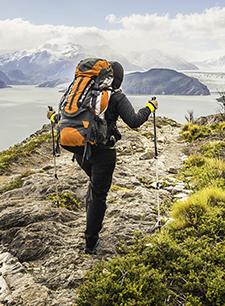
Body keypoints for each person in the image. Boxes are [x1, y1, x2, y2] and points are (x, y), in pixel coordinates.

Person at [47, 61, 158, 254]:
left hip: (80, 149)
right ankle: (91, 241)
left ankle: (91, 222)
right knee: (99, 194)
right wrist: (150, 106)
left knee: (94, 186)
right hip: (103, 151)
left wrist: (52, 117)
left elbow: (69, 118)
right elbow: (134, 121)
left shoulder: (81, 94)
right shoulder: (115, 96)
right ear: (119, 79)